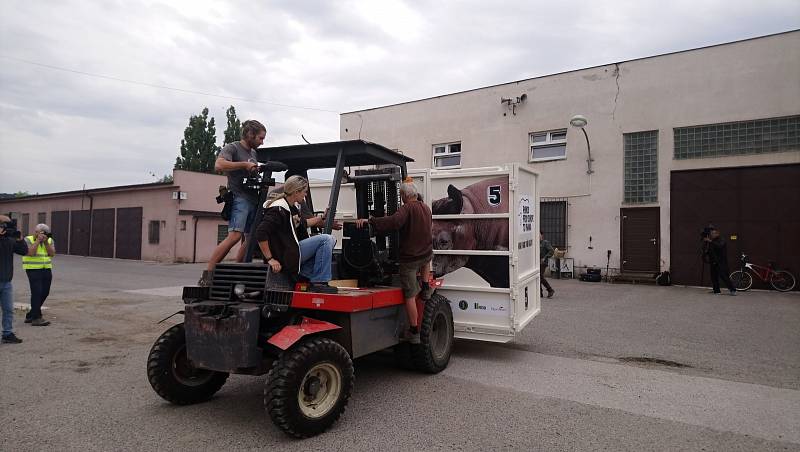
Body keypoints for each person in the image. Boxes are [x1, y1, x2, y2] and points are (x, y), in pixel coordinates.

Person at [355, 179, 433, 344]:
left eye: (401, 195)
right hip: (425, 255)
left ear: (404, 195)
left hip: (410, 259)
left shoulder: (406, 208)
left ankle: (414, 331)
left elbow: (394, 222)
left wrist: (372, 220)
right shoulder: (426, 208)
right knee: (427, 257)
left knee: (410, 294)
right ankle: (426, 287)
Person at [199, 120, 266, 286]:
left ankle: (239, 271)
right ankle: (208, 274)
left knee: (251, 238)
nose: (262, 142)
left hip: (253, 199)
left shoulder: (254, 153)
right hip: (239, 198)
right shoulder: (233, 148)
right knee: (235, 236)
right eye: (260, 138)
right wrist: (244, 164)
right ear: (250, 135)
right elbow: (219, 165)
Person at [255, 175, 338, 293]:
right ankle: (319, 281)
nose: (306, 195)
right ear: (296, 192)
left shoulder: (291, 208)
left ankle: (305, 273)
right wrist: (270, 259)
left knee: (331, 241)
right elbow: (261, 232)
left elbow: (304, 223)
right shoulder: (278, 210)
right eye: (305, 192)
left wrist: (322, 217)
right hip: (284, 255)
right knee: (326, 240)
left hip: (291, 252)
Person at [23, 223, 56, 326]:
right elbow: (30, 253)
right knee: (37, 292)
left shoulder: (49, 240)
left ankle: (31, 314)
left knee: (45, 292)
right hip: (32, 269)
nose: (42, 235)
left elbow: (52, 254)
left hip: (46, 269)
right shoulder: (28, 239)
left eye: (44, 233)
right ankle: (36, 318)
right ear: (36, 232)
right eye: (40, 232)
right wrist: (37, 241)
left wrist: (46, 242)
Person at [1, 215, 27, 343]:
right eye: (5, 225)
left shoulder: (10, 240)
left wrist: (20, 239)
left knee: (8, 309)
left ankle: (7, 333)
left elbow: (23, 251)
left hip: (6, 282)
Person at [704, 227, 737, 296]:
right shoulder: (712, 241)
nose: (712, 235)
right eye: (711, 234)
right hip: (713, 262)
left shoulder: (721, 240)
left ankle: (733, 290)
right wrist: (706, 251)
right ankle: (716, 290)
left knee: (724, 276)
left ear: (717, 233)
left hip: (721, 262)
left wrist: (710, 241)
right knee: (714, 277)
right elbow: (711, 250)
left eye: (713, 233)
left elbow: (720, 246)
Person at [540, 232, 555, 298]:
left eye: (538, 234)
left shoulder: (545, 243)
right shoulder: (534, 243)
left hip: (543, 262)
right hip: (536, 262)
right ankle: (539, 293)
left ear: (541, 235)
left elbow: (551, 251)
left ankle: (550, 289)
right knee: (538, 277)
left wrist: (545, 257)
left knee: (540, 276)